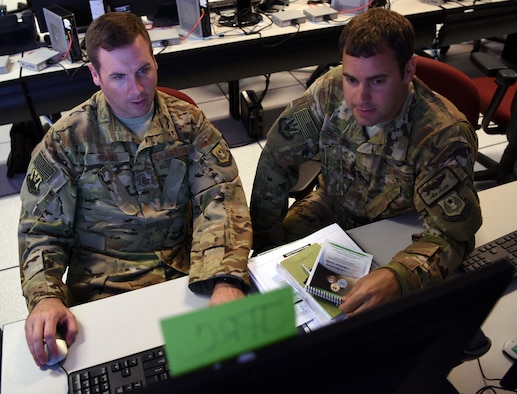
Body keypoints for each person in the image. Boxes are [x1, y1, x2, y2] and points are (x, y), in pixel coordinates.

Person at [18, 12, 252, 367]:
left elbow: (220, 197)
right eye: (119, 77)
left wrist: (225, 279)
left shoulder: (188, 123)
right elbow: (40, 231)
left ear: (155, 61)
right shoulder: (66, 141)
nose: (137, 89)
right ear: (95, 76)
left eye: (144, 70)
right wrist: (45, 297)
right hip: (105, 288)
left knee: (245, 366)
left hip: (191, 273)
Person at [250, 8, 482, 318]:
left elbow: (453, 235)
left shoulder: (442, 135)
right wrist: (265, 243)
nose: (361, 97)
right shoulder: (330, 90)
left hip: (404, 223)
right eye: (351, 78)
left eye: (377, 81)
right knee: (272, 277)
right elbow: (276, 160)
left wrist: (398, 277)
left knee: (382, 314)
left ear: (409, 70)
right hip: (332, 205)